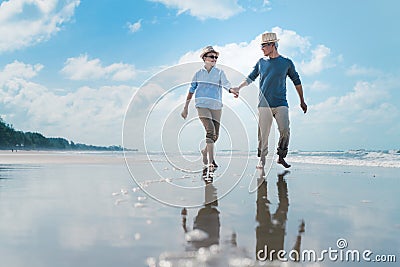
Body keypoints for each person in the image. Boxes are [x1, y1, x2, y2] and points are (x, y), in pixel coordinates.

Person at [232, 32, 307, 168]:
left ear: (272, 45)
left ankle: (281, 156)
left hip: (281, 103)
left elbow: (297, 81)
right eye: (261, 46)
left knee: (285, 130)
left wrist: (302, 100)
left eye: (264, 46)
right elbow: (250, 77)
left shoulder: (286, 63)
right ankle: (262, 159)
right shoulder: (261, 62)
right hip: (264, 104)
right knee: (263, 134)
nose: (262, 49)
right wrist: (238, 87)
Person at [181, 46, 236, 169]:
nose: (214, 59)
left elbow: (226, 84)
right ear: (204, 58)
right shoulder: (198, 74)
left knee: (215, 135)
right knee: (210, 131)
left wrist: (232, 90)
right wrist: (186, 107)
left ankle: (205, 151)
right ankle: (211, 161)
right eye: (212, 56)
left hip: (216, 107)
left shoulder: (220, 73)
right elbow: (191, 90)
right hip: (202, 106)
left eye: (216, 57)